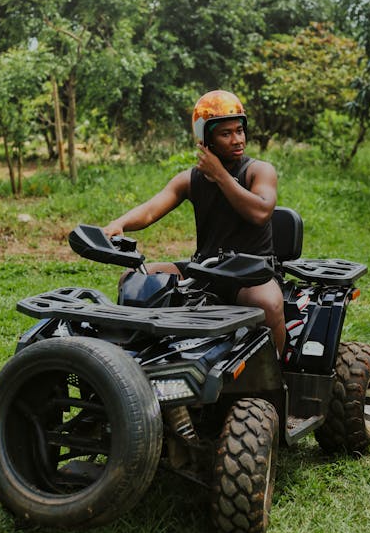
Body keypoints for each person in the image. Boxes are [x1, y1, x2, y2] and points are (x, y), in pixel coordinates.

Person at [103, 90, 286, 354]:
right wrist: (118, 224)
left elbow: (260, 212)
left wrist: (221, 176)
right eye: (226, 134)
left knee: (268, 303)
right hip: (205, 269)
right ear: (205, 139)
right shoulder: (190, 179)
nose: (237, 140)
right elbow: (151, 210)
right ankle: (138, 358)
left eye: (239, 130)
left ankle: (278, 369)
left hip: (252, 272)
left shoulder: (259, 171)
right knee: (132, 279)